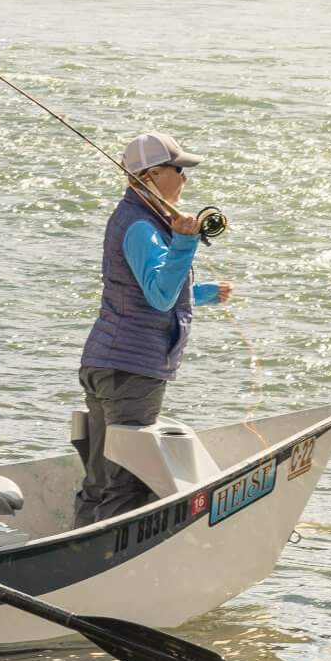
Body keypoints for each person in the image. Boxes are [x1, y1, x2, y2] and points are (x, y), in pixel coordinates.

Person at [74, 132, 234, 525]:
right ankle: (104, 565)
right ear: (151, 175)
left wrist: (204, 294)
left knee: (100, 478)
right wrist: (184, 242)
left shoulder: (138, 220)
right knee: (123, 480)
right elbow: (161, 295)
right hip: (131, 370)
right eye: (178, 170)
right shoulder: (140, 226)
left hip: (109, 363)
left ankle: (82, 549)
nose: (185, 179)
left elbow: (145, 291)